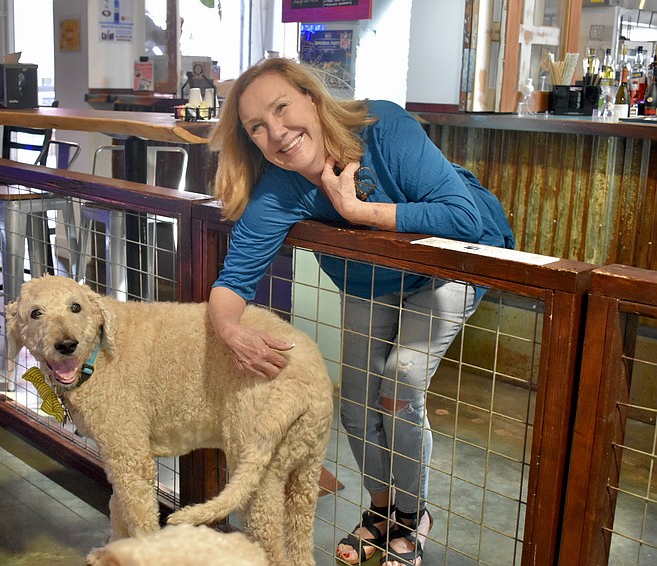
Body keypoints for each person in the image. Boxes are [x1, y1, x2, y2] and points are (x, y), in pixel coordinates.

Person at [206, 57, 515, 566]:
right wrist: (229, 328)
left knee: (401, 382)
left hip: (452, 262)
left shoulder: (383, 126)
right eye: (257, 126)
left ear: (311, 96)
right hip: (372, 278)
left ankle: (412, 518)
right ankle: (378, 512)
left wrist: (356, 213)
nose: (277, 132)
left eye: (282, 108)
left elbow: (462, 215)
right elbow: (235, 278)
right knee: (354, 401)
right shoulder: (281, 188)